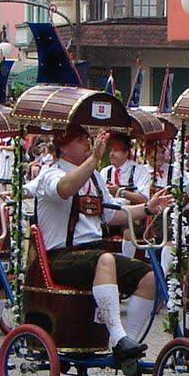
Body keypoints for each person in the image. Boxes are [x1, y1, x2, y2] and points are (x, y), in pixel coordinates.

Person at [30, 126, 167, 360]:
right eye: (80, 139)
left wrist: (147, 208)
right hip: (61, 256)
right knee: (105, 260)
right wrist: (94, 159)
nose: (88, 142)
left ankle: (128, 342)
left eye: (88, 138)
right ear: (63, 147)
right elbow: (64, 189)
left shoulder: (94, 177)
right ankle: (117, 337)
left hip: (94, 255)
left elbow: (111, 214)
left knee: (151, 278)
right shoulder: (50, 174)